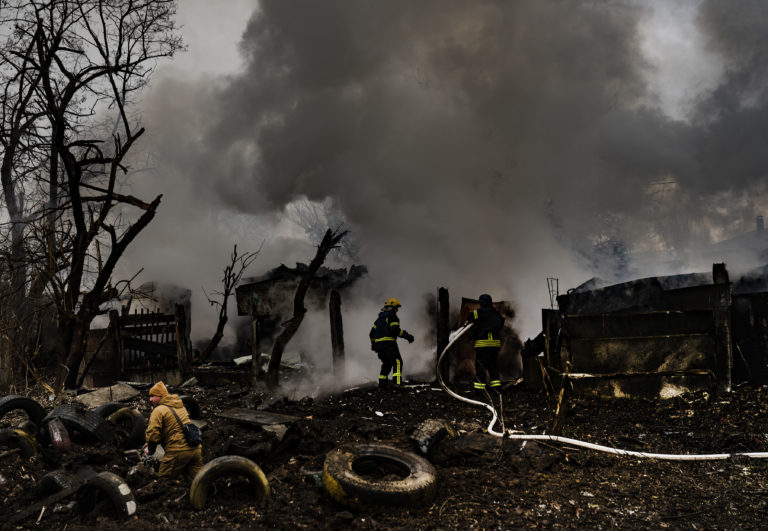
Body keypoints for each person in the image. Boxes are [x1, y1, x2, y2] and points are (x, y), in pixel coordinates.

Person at [144, 381, 203, 481]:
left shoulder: (158, 410)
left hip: (177, 452)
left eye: (153, 396)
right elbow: (174, 428)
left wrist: (150, 450)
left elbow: (153, 435)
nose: (150, 399)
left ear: (160, 395)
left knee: (163, 482)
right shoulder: (179, 405)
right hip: (195, 449)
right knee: (199, 482)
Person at [369, 297, 415, 388]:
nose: (397, 310)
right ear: (392, 307)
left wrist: (374, 344)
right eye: (396, 307)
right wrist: (407, 336)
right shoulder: (392, 316)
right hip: (389, 344)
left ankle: (382, 385)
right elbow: (395, 330)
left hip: (379, 346)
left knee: (387, 364)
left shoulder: (379, 319)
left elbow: (371, 334)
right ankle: (397, 384)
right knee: (397, 362)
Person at [466, 294, 505, 396]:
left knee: (480, 368)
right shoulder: (496, 314)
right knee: (493, 367)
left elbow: (470, 319)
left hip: (482, 345)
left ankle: (480, 391)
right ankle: (497, 389)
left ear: (481, 303)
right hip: (494, 346)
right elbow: (501, 323)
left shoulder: (476, 314)